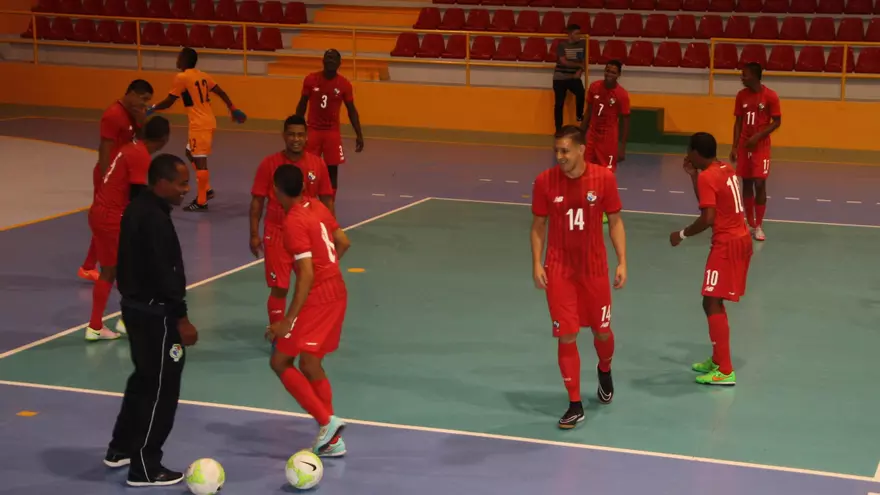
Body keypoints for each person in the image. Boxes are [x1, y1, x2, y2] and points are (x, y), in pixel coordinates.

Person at [103, 154, 198, 487]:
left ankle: (121, 448)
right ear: (161, 182)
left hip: (135, 309)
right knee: (161, 389)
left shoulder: (138, 209)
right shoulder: (155, 219)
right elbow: (164, 272)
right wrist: (181, 317)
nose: (186, 189)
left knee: (143, 380)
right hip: (157, 316)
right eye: (181, 182)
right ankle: (146, 465)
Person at [530, 125, 628, 429]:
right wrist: (537, 262)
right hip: (559, 269)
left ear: (582, 149)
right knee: (566, 334)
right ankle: (575, 404)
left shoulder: (604, 179)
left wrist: (622, 261)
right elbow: (538, 226)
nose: (559, 156)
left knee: (601, 332)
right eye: (556, 150)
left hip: (594, 269)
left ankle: (605, 369)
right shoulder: (545, 182)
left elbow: (615, 222)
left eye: (565, 150)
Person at [265, 164, 350, 456]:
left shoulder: (293, 222)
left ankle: (327, 423)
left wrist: (287, 321)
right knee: (310, 364)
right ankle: (333, 441)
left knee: (280, 362)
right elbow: (343, 242)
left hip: (318, 298)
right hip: (337, 290)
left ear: (276, 191)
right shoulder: (317, 206)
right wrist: (328, 271)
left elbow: (306, 273)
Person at [669, 132, 753, 386]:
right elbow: (708, 201)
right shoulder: (725, 167)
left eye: (689, 150)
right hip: (740, 239)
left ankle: (725, 370)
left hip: (727, 245)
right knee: (712, 301)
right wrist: (693, 175)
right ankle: (718, 359)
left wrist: (681, 234)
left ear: (695, 152)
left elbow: (708, 218)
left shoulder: (708, 176)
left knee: (711, 302)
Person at [85, 116, 171, 342]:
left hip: (99, 213)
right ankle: (125, 321)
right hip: (113, 217)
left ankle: (97, 326)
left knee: (110, 271)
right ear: (164, 139)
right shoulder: (141, 156)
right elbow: (137, 196)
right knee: (136, 268)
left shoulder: (130, 148)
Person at [250, 115, 335, 332]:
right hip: (276, 232)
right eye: (291, 134)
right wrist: (254, 233)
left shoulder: (318, 164)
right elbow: (257, 200)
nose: (295, 139)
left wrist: (329, 232)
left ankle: (305, 328)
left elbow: (327, 199)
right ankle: (277, 331)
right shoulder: (268, 164)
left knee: (311, 285)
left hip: (306, 234)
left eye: (300, 134)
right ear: (283, 136)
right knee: (280, 287)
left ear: (306, 137)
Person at [147, 47, 247, 211]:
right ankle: (206, 189)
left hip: (199, 124)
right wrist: (233, 108)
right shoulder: (203, 75)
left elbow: (169, 101)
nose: (177, 60)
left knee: (200, 162)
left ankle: (202, 201)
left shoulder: (182, 77)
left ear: (185, 60)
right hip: (208, 120)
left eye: (179, 57)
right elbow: (220, 92)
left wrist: (152, 108)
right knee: (189, 152)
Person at [79, 79, 154, 282]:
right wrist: (105, 180)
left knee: (113, 221)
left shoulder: (133, 113)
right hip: (109, 175)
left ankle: (89, 265)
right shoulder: (113, 115)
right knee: (106, 220)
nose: (145, 104)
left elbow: (141, 137)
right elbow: (104, 148)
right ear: (132, 94)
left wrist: (141, 117)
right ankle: (93, 265)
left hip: (122, 174)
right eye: (143, 99)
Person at [295, 48, 364, 200]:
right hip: (312, 130)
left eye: (334, 58)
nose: (330, 60)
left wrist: (359, 134)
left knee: (332, 168)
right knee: (308, 166)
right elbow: (302, 104)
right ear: (323, 61)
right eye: (328, 57)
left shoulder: (344, 84)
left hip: (332, 133)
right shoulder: (311, 79)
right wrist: (295, 128)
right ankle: (307, 199)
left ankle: (329, 203)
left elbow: (351, 110)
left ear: (339, 63)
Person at [730, 62, 781, 242]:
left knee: (760, 183)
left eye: (745, 75)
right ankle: (749, 222)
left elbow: (777, 122)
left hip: (761, 146)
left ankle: (758, 225)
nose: (742, 78)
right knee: (747, 183)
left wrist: (758, 136)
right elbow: (738, 122)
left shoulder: (770, 96)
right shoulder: (741, 96)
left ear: (754, 76)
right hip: (745, 145)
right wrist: (735, 146)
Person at [580, 60, 630, 174]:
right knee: (586, 168)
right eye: (608, 71)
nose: (609, 74)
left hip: (609, 137)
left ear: (618, 75)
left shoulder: (622, 94)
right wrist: (580, 133)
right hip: (592, 134)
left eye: (613, 72)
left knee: (607, 171)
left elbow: (626, 121)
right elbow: (588, 111)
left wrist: (622, 147)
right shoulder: (594, 87)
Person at [552, 24, 586, 134]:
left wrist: (580, 71)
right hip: (560, 77)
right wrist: (579, 66)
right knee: (559, 103)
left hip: (573, 77)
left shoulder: (583, 44)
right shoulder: (562, 45)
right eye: (576, 34)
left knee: (581, 93)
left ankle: (579, 115)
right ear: (570, 34)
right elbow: (563, 62)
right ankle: (558, 129)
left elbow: (583, 62)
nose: (579, 36)